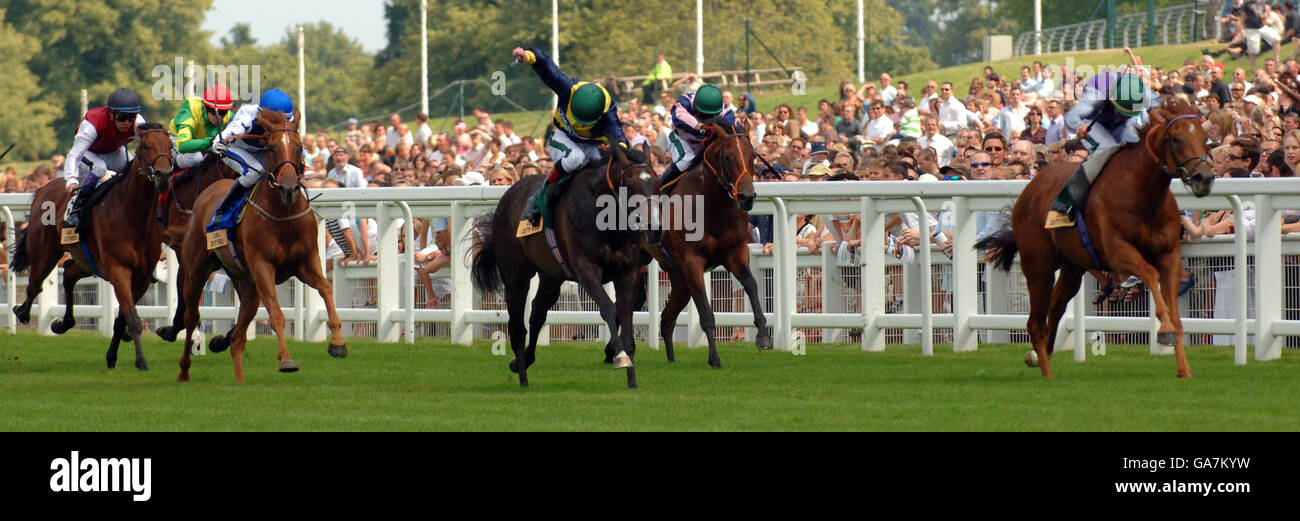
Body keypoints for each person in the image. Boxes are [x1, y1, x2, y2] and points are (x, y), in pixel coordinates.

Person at [511, 45, 628, 225]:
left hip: (592, 144)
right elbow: (547, 65)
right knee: (576, 159)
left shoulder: (608, 112)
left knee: (604, 167)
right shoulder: (567, 88)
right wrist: (528, 55)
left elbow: (619, 139)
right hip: (562, 137)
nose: (581, 125)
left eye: (586, 121)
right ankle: (540, 196)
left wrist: (622, 155)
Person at [1048, 71, 1157, 227]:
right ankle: (1065, 202)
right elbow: (1071, 117)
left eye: (1127, 114)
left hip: (1120, 123)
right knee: (1107, 148)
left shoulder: (1142, 93)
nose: (1125, 116)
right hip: (1094, 122)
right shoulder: (1095, 96)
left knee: (1135, 144)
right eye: (1122, 113)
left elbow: (1161, 108)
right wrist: (1079, 128)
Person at [205, 88, 298, 233]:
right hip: (233, 149)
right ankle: (223, 209)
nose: (281, 124)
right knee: (254, 173)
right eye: (275, 121)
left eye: (284, 120)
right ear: (263, 115)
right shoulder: (248, 117)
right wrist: (218, 142)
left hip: (262, 150)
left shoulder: (288, 120)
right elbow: (229, 133)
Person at [62, 88, 148, 229]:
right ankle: (77, 207)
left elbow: (150, 144)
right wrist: (71, 180)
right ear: (111, 113)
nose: (127, 123)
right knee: (100, 168)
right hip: (88, 153)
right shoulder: (92, 124)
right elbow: (75, 154)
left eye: (131, 117)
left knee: (135, 168)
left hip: (114, 151)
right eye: (122, 117)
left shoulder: (138, 122)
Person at [659, 83, 735, 194]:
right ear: (695, 105)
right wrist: (699, 126)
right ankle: (659, 188)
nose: (705, 119)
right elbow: (679, 116)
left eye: (710, 116)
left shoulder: (727, 111)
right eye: (702, 115)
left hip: (706, 145)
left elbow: (730, 128)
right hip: (682, 139)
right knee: (686, 161)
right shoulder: (685, 101)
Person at [169, 84, 234, 169]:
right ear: (206, 108)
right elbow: (182, 145)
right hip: (177, 139)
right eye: (213, 112)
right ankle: (173, 165)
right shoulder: (191, 111)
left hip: (203, 143)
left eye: (223, 112)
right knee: (196, 158)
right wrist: (210, 142)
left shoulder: (229, 117)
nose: (218, 117)